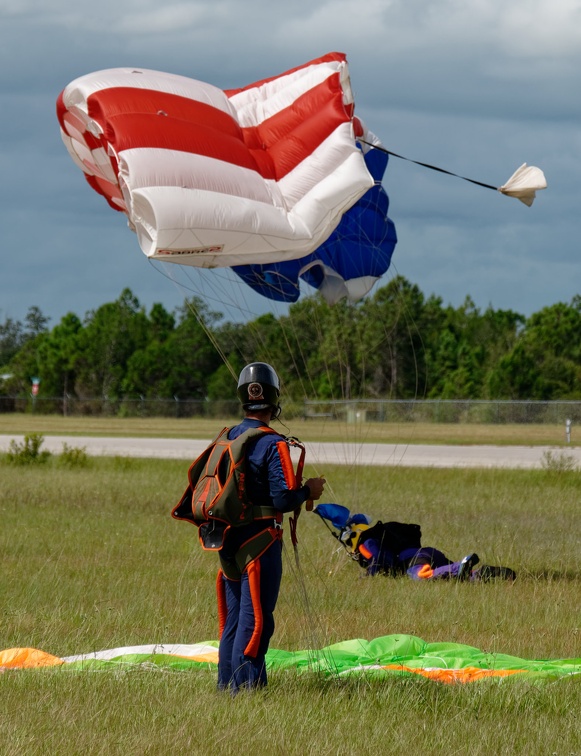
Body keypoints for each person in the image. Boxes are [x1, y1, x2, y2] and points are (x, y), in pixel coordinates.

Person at [216, 362, 325, 693]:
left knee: (232, 622)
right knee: (255, 623)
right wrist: (309, 491)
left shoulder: (227, 436)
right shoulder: (272, 442)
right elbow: (282, 499)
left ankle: (228, 688)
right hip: (259, 544)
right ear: (274, 398)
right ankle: (245, 693)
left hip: (227, 543)